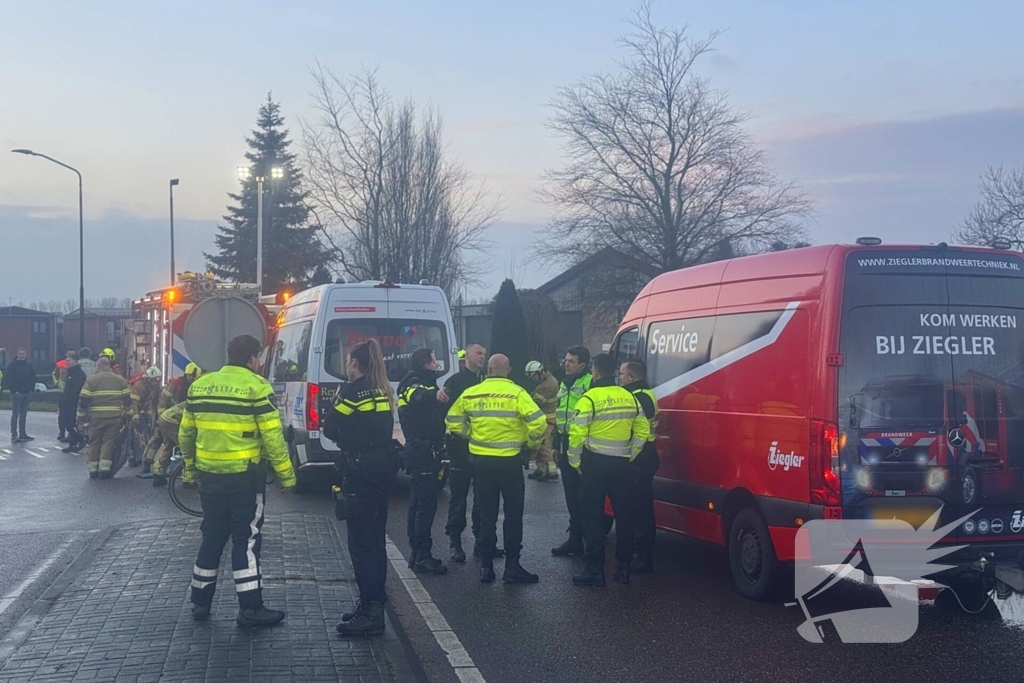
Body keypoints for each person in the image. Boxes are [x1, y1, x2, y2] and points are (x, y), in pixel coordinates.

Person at [179, 334, 296, 628]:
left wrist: (191, 468)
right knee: (246, 541)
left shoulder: (200, 386)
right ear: (253, 358)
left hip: (210, 478)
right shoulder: (257, 388)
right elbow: (272, 436)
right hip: (245, 479)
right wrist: (287, 474)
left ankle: (200, 602)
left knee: (212, 537)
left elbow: (186, 434)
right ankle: (251, 608)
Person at [446, 354, 547, 584]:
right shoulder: (518, 393)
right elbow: (538, 422)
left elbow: (452, 418)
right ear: (508, 370)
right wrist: (531, 445)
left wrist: (470, 434)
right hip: (510, 461)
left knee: (486, 513)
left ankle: (486, 567)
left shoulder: (472, 392)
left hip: (481, 461)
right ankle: (512, 567)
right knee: (512, 514)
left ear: (488, 370)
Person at [322, 338, 398, 637]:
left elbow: (330, 429)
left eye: (347, 361)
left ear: (354, 362)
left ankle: (371, 611)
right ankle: (373, 600)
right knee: (375, 539)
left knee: (361, 543)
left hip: (361, 471)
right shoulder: (382, 389)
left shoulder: (352, 391)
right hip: (382, 468)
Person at [569, 353, 649, 587]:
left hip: (594, 464)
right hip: (622, 464)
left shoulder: (589, 399)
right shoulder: (629, 397)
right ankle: (623, 569)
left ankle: (595, 569)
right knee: (624, 516)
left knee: (592, 515)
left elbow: (577, 434)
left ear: (594, 372)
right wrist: (630, 453)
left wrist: (575, 462)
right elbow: (643, 430)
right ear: (614, 372)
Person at [399, 348, 450, 575]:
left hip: (425, 450)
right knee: (424, 505)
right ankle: (422, 555)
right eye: (434, 360)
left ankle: (416, 553)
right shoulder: (413, 382)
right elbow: (416, 396)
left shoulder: (428, 383)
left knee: (419, 502)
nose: (437, 364)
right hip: (420, 451)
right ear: (425, 364)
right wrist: (434, 396)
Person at [443, 342, 487, 563]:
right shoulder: (456, 381)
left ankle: (481, 541)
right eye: (478, 353)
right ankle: (455, 541)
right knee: (459, 496)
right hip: (461, 446)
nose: (482, 357)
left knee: (482, 496)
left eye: (484, 354)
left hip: (480, 448)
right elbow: (448, 413)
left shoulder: (485, 382)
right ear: (467, 357)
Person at [551, 346, 592, 557]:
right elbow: (560, 417)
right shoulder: (565, 384)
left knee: (584, 496)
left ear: (583, 365)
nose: (566, 364)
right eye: (566, 360)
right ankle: (575, 538)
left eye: (572, 361)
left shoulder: (589, 384)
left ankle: (588, 541)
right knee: (570, 495)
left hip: (585, 447)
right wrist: (555, 444)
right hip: (566, 444)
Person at [619, 359, 660, 574]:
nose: (620, 378)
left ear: (632, 377)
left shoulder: (639, 397)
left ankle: (643, 556)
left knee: (639, 508)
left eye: (622, 374)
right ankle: (640, 553)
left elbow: (637, 431)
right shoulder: (644, 393)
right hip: (645, 455)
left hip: (640, 456)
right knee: (638, 506)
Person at [143, 363, 202, 480]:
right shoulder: (175, 384)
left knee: (169, 446)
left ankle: (159, 472)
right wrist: (161, 419)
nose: (191, 379)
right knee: (186, 445)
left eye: (193, 377)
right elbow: (162, 402)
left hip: (176, 419)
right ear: (186, 374)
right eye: (190, 376)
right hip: (169, 419)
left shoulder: (193, 387)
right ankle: (187, 476)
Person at [77, 357, 131, 478]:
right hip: (114, 417)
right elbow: (127, 400)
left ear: (98, 366)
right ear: (109, 366)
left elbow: (83, 401)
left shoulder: (91, 380)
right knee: (108, 442)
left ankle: (93, 470)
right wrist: (129, 414)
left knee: (94, 442)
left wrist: (80, 418)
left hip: (96, 418)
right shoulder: (120, 380)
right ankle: (104, 470)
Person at [525, 361, 560, 482]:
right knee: (539, 444)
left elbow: (535, 402)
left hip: (547, 419)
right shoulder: (545, 382)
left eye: (534, 376)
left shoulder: (549, 384)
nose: (533, 379)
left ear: (540, 372)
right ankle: (540, 469)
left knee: (544, 445)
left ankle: (551, 471)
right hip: (543, 418)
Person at [129, 366, 161, 467]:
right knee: (132, 436)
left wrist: (149, 416)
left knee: (144, 435)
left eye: (157, 380)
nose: (155, 383)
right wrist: (135, 416)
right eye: (154, 380)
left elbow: (148, 403)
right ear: (148, 378)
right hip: (131, 411)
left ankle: (141, 456)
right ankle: (132, 457)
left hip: (140, 411)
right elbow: (133, 403)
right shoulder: (138, 386)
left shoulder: (150, 386)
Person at [3, 348, 37, 442]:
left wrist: (31, 389)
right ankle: (14, 435)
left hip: (27, 393)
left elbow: (33, 377)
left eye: (23, 354)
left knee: (24, 415)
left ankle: (23, 434)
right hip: (17, 394)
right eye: (20, 354)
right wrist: (14, 390)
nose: (22, 355)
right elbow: (8, 379)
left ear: (26, 355)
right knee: (15, 414)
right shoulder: (12, 366)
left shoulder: (29, 365)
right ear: (17, 355)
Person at [151, 401, 186, 487]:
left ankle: (158, 473)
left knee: (169, 447)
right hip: (172, 421)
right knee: (186, 448)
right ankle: (188, 478)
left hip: (165, 418)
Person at [61, 352, 87, 454]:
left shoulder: (78, 373)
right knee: (68, 423)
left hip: (73, 402)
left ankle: (80, 438)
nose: (66, 362)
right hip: (67, 402)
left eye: (68, 360)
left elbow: (75, 390)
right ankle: (73, 443)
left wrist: (71, 401)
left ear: (75, 361)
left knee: (71, 423)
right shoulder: (70, 372)